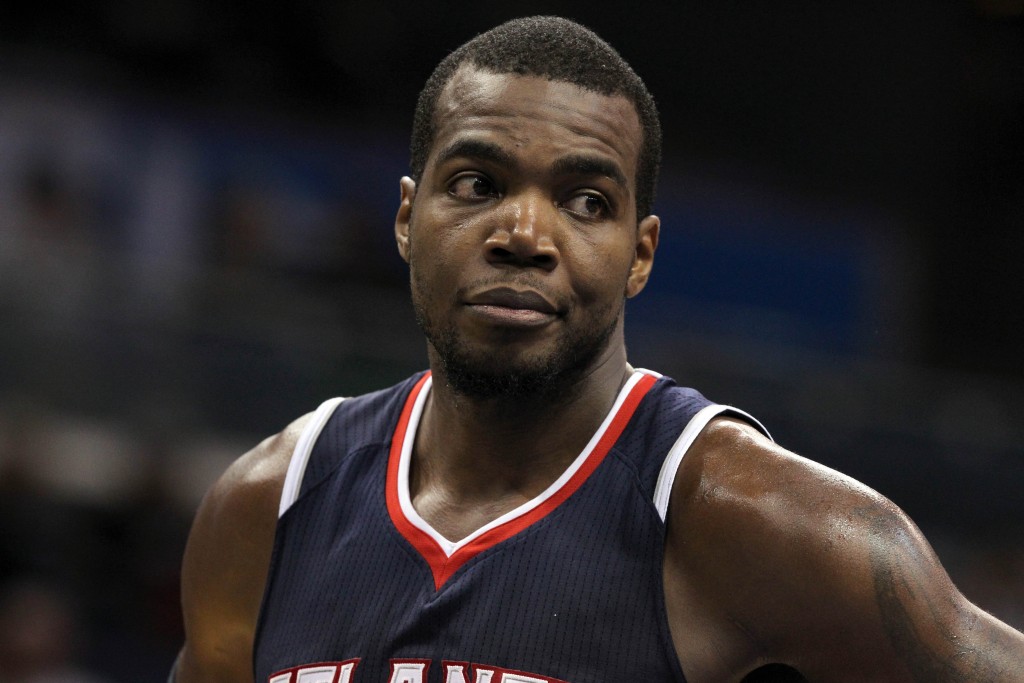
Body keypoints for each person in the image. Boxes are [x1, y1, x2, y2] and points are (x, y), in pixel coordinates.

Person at [171, 16, 1024, 683]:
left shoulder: (754, 521)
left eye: (584, 201)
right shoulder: (266, 508)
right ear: (405, 217)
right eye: (478, 185)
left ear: (641, 254)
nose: (524, 233)